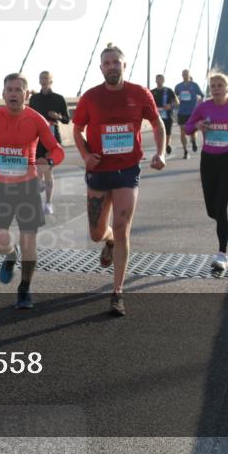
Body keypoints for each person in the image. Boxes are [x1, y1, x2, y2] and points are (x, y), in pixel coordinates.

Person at [73, 44, 166, 316]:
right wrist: (86, 155)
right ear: (101, 68)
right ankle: (108, 240)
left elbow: (157, 123)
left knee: (123, 225)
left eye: (116, 62)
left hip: (127, 169)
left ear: (124, 65)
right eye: (107, 63)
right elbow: (77, 130)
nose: (112, 66)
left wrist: (160, 152)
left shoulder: (139, 93)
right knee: (96, 233)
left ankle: (117, 293)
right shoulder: (90, 97)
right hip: (99, 171)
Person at [0, 74, 64, 309]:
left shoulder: (36, 120)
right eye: (9, 89)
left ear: (27, 95)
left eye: (18, 90)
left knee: (29, 244)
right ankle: (9, 254)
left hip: (27, 189)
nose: (14, 93)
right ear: (3, 94)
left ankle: (25, 288)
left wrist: (50, 161)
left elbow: (57, 149)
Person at [183, 72, 228, 271]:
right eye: (213, 85)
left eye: (220, 85)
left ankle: (222, 254)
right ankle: (220, 222)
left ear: (227, 87)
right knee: (212, 210)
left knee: (221, 209)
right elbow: (187, 128)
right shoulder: (203, 107)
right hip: (208, 162)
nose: (216, 89)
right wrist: (197, 125)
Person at [28, 71, 69, 216]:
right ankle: (38, 201)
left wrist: (57, 116)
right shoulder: (34, 98)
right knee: (38, 170)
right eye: (41, 78)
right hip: (37, 137)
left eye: (46, 78)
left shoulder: (59, 98)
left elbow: (66, 119)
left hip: (52, 136)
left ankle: (48, 203)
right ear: (39, 81)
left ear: (51, 81)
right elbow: (29, 115)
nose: (43, 80)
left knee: (48, 169)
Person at [174, 69, 205, 159]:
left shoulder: (194, 85)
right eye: (183, 74)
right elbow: (174, 97)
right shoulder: (178, 86)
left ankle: (194, 142)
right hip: (182, 112)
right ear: (182, 75)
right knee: (183, 131)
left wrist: (200, 100)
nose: (185, 76)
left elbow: (202, 95)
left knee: (192, 130)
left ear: (189, 75)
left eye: (186, 74)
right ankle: (185, 151)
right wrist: (176, 100)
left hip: (193, 112)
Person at [150, 74, 179, 155]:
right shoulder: (152, 92)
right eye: (157, 79)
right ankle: (161, 148)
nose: (159, 81)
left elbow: (177, 102)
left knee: (167, 133)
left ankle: (167, 145)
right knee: (158, 133)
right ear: (155, 81)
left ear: (163, 80)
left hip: (168, 115)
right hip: (157, 116)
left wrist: (170, 105)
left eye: (160, 79)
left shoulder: (169, 90)